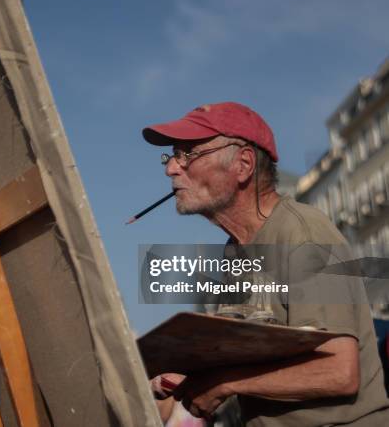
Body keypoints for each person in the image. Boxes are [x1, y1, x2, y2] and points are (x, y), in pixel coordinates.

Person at [142, 102, 389, 426]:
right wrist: (191, 373)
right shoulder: (234, 252)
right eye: (171, 156)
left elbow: (339, 372)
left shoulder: (301, 232)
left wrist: (224, 383)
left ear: (243, 164)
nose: (171, 168)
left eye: (188, 154)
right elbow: (256, 357)